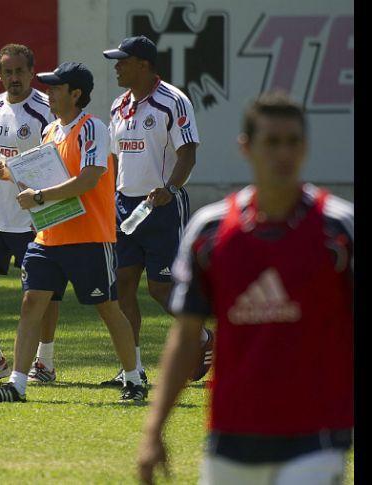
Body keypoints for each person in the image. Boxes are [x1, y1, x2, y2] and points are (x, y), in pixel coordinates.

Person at [137, 91, 354, 485]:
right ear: (246, 147)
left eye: (292, 142)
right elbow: (185, 337)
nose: (282, 154)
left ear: (305, 148)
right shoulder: (211, 231)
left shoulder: (338, 229)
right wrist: (154, 429)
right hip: (232, 432)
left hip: (318, 432)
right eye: (271, 142)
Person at [0, 62, 147, 403]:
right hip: (49, 237)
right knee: (31, 304)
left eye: (56, 88)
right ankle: (17, 384)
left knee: (108, 308)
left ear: (76, 94)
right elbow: (47, 179)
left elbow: (88, 178)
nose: (49, 93)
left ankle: (134, 379)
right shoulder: (51, 131)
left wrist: (38, 196)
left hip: (89, 238)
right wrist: (16, 177)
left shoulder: (93, 128)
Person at [101, 35, 213, 387]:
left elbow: (189, 152)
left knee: (161, 290)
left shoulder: (173, 101)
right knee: (122, 289)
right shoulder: (119, 105)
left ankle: (204, 338)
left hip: (162, 207)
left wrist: (170, 189)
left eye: (123, 61)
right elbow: (116, 159)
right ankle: (131, 370)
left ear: (144, 65)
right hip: (125, 208)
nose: (117, 67)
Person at [0, 43, 61, 385]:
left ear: (32, 72)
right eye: (8, 71)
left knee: (41, 293)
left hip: (33, 217)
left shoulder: (46, 110)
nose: (14, 78)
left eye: (20, 71)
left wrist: (19, 176)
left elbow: (56, 164)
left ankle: (44, 363)